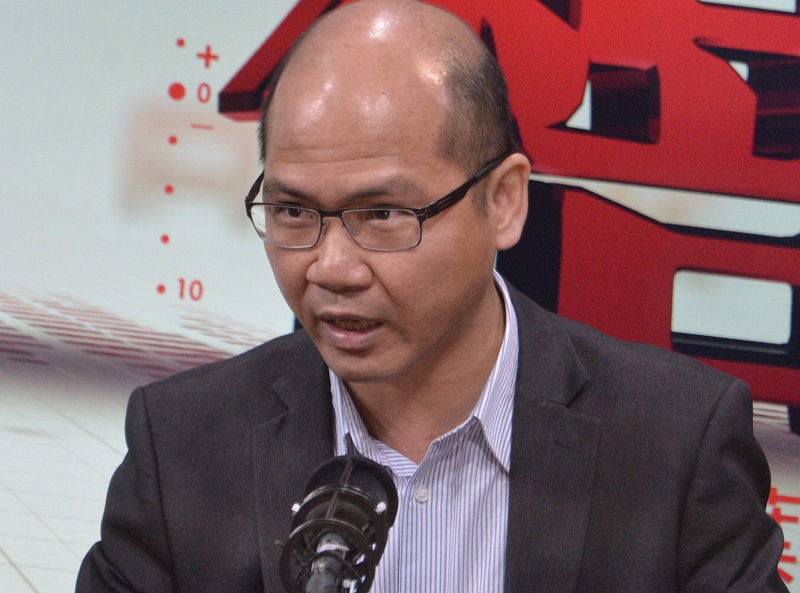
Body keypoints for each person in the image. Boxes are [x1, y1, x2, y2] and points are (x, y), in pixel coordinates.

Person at [77, 1, 788, 592]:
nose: (331, 267)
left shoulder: (673, 445)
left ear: (504, 202)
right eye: (293, 212)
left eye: (384, 214)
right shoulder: (184, 446)